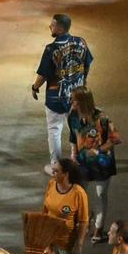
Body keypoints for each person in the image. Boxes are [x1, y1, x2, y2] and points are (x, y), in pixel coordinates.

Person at [33, 13, 93, 173]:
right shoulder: (81, 42)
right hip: (77, 96)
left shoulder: (51, 49)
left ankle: (56, 166)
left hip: (56, 98)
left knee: (54, 129)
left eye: (52, 25)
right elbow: (87, 64)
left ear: (59, 28)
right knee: (78, 128)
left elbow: (44, 74)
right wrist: (82, 82)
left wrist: (35, 86)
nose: (49, 27)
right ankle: (78, 160)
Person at [67, 88, 119, 243]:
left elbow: (114, 138)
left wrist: (97, 150)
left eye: (73, 100)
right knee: (81, 194)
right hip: (83, 163)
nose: (71, 102)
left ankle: (98, 227)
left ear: (82, 102)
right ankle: (87, 216)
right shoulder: (72, 116)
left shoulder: (102, 117)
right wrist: (73, 154)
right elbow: (72, 135)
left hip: (102, 164)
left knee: (101, 195)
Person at [42, 158, 89, 254]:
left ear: (66, 174)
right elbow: (46, 207)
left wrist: (79, 244)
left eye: (56, 171)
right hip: (50, 239)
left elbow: (83, 221)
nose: (53, 174)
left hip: (66, 245)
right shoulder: (52, 184)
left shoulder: (78, 193)